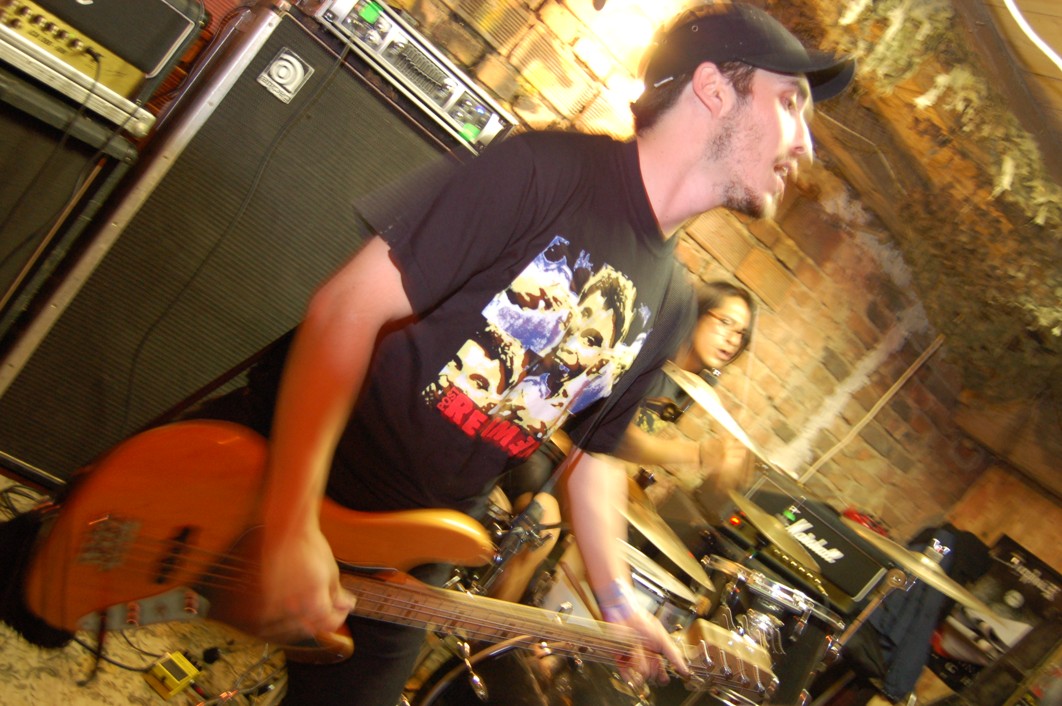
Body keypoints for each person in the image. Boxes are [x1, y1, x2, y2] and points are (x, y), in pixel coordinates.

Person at [250, 4, 854, 705]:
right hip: (284, 473)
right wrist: (288, 522)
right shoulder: (544, 170)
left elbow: (593, 456)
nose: (805, 144)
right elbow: (346, 309)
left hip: (412, 552)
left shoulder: (672, 303)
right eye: (790, 104)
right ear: (714, 89)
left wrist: (617, 600)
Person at [616, 280, 757, 494]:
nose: (733, 340)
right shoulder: (653, 353)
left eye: (741, 334)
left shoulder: (696, 384)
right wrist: (699, 453)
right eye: (726, 322)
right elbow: (617, 437)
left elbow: (630, 445)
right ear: (698, 312)